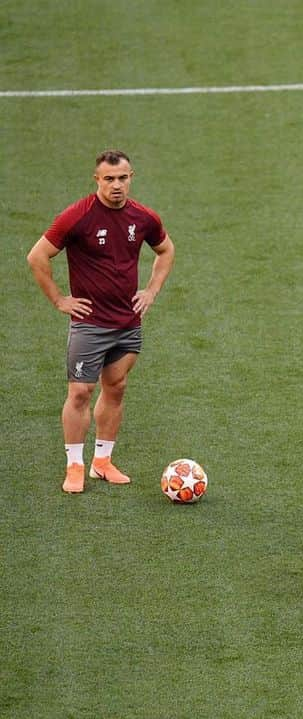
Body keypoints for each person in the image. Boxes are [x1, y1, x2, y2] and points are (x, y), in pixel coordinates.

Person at [27, 150, 175, 494]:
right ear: (97, 180)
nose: (117, 185)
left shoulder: (144, 218)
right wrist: (59, 299)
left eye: (123, 178)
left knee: (116, 387)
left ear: (131, 177)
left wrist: (151, 291)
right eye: (109, 179)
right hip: (90, 323)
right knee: (80, 391)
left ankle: (102, 462)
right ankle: (75, 465)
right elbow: (37, 256)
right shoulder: (76, 217)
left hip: (127, 322)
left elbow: (166, 250)